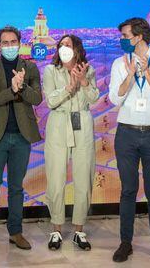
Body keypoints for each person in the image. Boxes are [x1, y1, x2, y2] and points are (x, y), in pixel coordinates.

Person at [109, 18, 150, 265]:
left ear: (139, 36)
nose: (122, 40)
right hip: (126, 133)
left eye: (125, 35)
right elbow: (114, 99)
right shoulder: (119, 63)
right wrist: (128, 76)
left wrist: (146, 72)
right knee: (127, 190)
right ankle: (125, 242)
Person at [0, 26, 42, 252]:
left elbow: (37, 99)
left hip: (22, 137)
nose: (10, 46)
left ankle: (16, 232)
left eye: (14, 41)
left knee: (16, 188)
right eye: (5, 42)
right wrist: (11, 90)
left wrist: (21, 87)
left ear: (20, 43)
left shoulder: (30, 68)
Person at [43, 34, 99, 250]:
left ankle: (79, 231)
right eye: (61, 45)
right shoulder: (50, 70)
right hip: (58, 123)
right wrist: (69, 87)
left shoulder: (89, 69)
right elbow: (50, 101)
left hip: (82, 122)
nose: (63, 48)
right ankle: (56, 229)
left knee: (84, 176)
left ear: (77, 48)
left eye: (67, 44)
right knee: (56, 176)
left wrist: (83, 81)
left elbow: (94, 98)